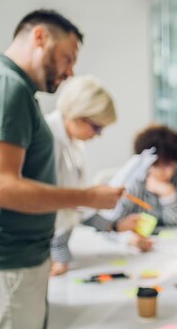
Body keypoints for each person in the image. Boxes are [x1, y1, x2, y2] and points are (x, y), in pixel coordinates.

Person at [0, 9, 123, 329]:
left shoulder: (12, 87)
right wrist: (89, 197)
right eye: (67, 58)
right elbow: (0, 188)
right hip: (9, 264)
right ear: (39, 37)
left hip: (18, 262)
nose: (69, 72)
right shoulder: (5, 86)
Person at [46, 75, 142, 276]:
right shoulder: (47, 139)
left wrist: (115, 225)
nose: (99, 135)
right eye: (97, 127)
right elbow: (50, 203)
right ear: (78, 117)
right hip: (46, 248)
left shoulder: (74, 145)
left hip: (60, 247)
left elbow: (79, 208)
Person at [109, 125, 177, 241]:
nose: (163, 172)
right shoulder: (134, 181)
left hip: (166, 242)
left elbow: (176, 221)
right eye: (156, 165)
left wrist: (168, 193)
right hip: (132, 242)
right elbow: (109, 225)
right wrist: (128, 240)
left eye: (168, 164)